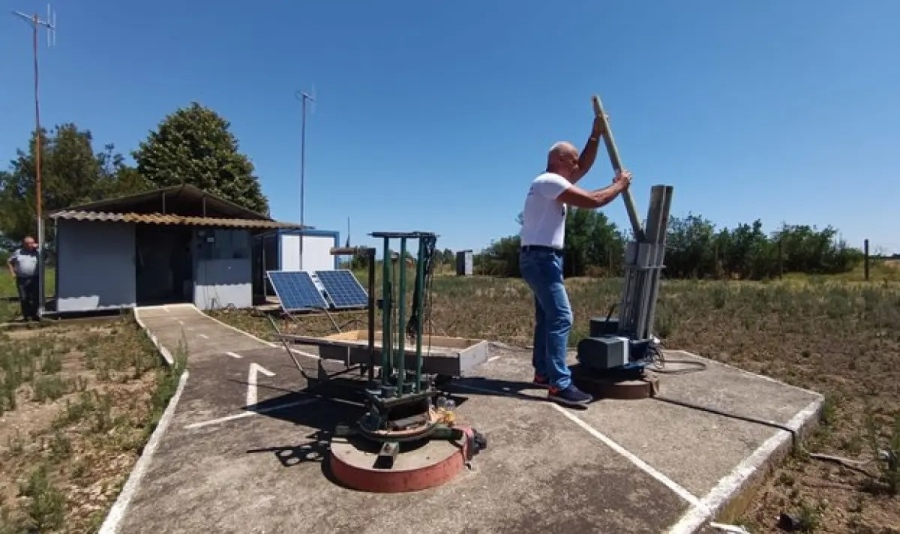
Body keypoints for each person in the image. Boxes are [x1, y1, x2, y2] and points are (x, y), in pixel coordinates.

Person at [518, 116, 632, 407]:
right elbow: (593, 200)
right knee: (561, 317)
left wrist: (595, 135)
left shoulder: (551, 182)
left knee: (547, 318)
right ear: (559, 160)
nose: (577, 165)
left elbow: (584, 166)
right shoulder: (549, 181)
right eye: (572, 160)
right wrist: (619, 186)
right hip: (541, 258)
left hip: (541, 257)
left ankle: (544, 373)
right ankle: (559, 385)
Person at [7, 236, 41, 322]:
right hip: (21, 279)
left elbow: (50, 256)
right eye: (28, 243)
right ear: (23, 244)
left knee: (35, 297)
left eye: (32, 243)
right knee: (24, 297)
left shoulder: (38, 252)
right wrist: (12, 272)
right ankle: (27, 316)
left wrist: (40, 247)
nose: (30, 245)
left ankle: (35, 314)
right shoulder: (18, 252)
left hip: (34, 278)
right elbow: (9, 261)